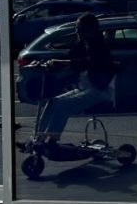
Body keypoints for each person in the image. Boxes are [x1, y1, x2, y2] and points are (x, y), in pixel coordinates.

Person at [35, 12, 115, 144]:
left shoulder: (100, 47)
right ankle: (38, 138)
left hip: (100, 90)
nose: (77, 31)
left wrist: (60, 63)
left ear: (90, 29)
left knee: (63, 106)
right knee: (53, 101)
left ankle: (52, 139)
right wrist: (45, 62)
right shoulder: (82, 44)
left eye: (80, 28)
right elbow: (68, 57)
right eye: (77, 28)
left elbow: (85, 62)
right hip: (85, 88)